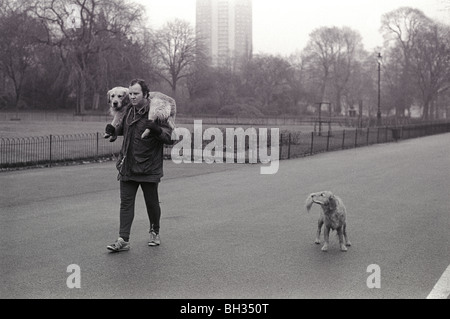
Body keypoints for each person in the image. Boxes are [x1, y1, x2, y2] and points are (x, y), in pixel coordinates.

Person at [106, 79, 174, 252]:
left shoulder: (157, 112)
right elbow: (124, 129)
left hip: (149, 166)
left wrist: (157, 129)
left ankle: (154, 232)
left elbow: (170, 138)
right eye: (131, 93)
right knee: (126, 203)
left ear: (145, 94)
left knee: (151, 203)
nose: (133, 96)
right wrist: (113, 131)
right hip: (128, 164)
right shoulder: (128, 111)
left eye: (136, 93)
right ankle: (123, 239)